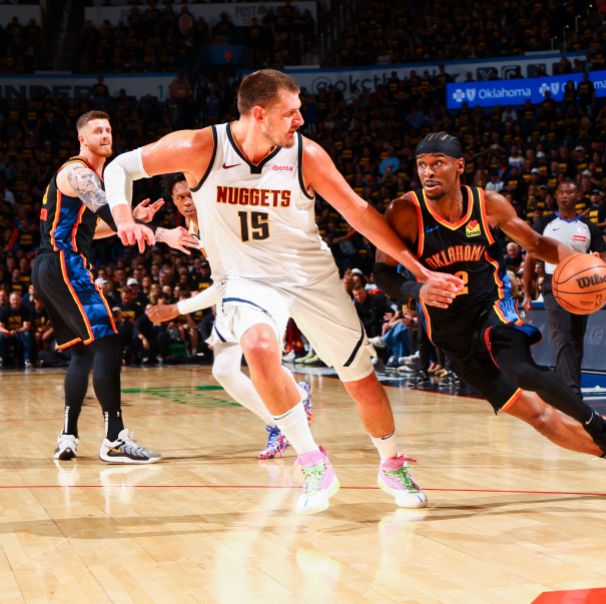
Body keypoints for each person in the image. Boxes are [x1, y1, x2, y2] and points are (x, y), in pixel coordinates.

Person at [103, 70, 462, 514]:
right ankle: (312, 459)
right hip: (247, 279)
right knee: (255, 346)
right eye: (291, 113)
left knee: (362, 382)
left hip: (310, 277)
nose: (300, 120)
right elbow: (120, 166)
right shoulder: (201, 147)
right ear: (259, 114)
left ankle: (390, 464)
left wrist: (417, 268)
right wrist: (122, 216)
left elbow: (357, 211)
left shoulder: (305, 155)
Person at [374, 132, 606, 501]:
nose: (428, 172)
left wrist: (579, 261)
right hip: (451, 335)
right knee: (538, 416)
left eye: (437, 163)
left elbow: (536, 244)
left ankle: (605, 430)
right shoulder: (405, 211)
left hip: (491, 307)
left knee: (522, 370)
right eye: (422, 165)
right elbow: (383, 274)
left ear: (460, 166)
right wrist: (416, 290)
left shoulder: (488, 204)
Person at [31, 110, 197, 464]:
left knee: (83, 351)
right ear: (82, 139)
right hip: (66, 265)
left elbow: (97, 228)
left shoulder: (83, 177)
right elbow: (108, 211)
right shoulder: (77, 172)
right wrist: (161, 233)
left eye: (108, 129)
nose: (105, 135)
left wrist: (132, 220)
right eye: (97, 131)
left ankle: (68, 436)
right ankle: (115, 440)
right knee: (108, 342)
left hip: (48, 267)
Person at [148, 175, 312, 460]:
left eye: (190, 195)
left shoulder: (217, 221)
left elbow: (225, 282)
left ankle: (285, 419)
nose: (187, 202)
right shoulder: (192, 226)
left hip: (260, 287)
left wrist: (177, 309)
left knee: (260, 362)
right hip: (234, 291)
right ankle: (291, 403)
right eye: (180, 198)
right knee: (224, 370)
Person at [521, 180, 606, 400]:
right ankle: (570, 392)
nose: (565, 195)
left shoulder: (589, 227)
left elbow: (604, 261)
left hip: (583, 287)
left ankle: (570, 385)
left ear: (578, 195)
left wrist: (604, 285)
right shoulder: (544, 223)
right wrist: (526, 293)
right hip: (553, 284)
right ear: (556, 196)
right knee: (562, 336)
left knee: (577, 338)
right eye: (561, 192)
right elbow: (530, 259)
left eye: (570, 191)